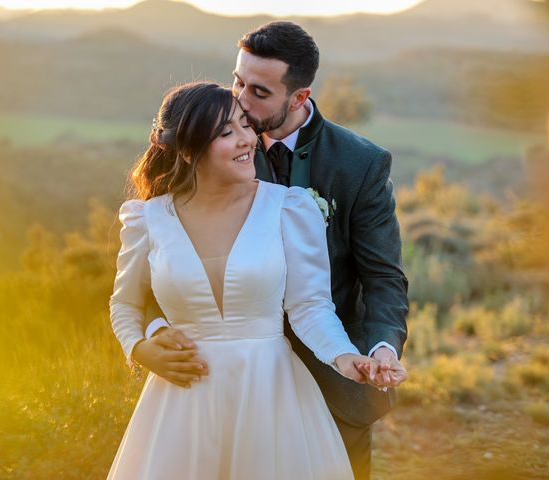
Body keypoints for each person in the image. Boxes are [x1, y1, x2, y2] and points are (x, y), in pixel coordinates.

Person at [142, 22, 410, 479]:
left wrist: (383, 346)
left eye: (259, 92)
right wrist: (149, 335)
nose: (241, 100)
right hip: (215, 390)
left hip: (335, 384)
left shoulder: (360, 164)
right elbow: (161, 255)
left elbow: (383, 277)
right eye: (238, 81)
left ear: (299, 97)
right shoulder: (206, 143)